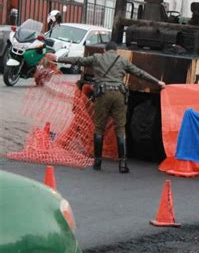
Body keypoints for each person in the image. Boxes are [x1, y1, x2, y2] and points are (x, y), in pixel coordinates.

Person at [46, 41, 165, 173]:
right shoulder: (123, 61)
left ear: (105, 50)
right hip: (119, 95)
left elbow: (78, 60)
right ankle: (123, 165)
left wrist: (58, 58)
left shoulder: (98, 58)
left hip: (103, 95)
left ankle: (97, 162)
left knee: (99, 128)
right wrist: (157, 81)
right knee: (120, 129)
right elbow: (139, 73)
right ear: (115, 51)